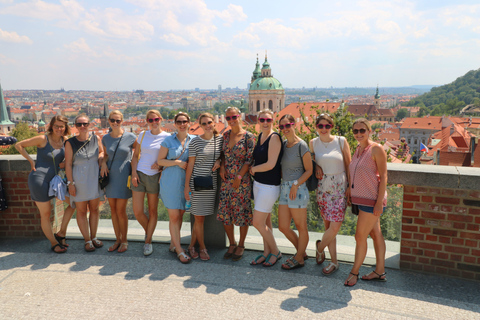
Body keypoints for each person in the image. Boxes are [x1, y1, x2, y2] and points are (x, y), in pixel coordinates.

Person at [15, 115, 75, 253]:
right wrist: (31, 161)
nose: (59, 128)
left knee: (73, 203)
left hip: (56, 180)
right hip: (39, 179)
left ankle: (61, 234)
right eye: (56, 126)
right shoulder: (43, 139)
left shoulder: (65, 140)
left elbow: (69, 160)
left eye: (62, 126)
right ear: (51, 126)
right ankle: (54, 243)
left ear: (65, 127)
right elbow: (19, 145)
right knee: (46, 214)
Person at [344, 118, 387, 287]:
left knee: (359, 236)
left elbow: (384, 177)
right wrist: (350, 190)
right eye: (355, 131)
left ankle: (354, 272)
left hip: (371, 200)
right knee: (375, 234)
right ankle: (380, 271)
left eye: (362, 130)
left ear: (369, 131)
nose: (359, 134)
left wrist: (378, 203)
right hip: (360, 199)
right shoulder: (357, 149)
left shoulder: (376, 148)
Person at [311, 113, 352, 275]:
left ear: (332, 127)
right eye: (320, 126)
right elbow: (312, 163)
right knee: (328, 226)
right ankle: (334, 262)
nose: (323, 129)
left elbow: (349, 165)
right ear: (316, 127)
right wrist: (315, 167)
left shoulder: (341, 141)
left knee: (335, 226)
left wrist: (350, 186)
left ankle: (320, 248)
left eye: (327, 126)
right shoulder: (313, 143)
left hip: (340, 188)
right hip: (322, 188)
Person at [218, 107, 255, 262]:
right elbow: (223, 155)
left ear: (240, 117)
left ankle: (241, 244)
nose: (231, 120)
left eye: (234, 117)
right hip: (226, 180)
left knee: (242, 213)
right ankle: (231, 243)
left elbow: (249, 159)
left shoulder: (249, 137)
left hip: (242, 181)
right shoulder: (225, 135)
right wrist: (221, 166)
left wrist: (239, 176)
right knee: (226, 213)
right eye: (228, 118)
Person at [131, 110, 170, 256]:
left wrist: (161, 166)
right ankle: (149, 233)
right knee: (138, 211)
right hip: (139, 174)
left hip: (155, 176)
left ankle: (147, 242)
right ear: (147, 121)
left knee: (153, 211)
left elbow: (171, 157)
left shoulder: (167, 137)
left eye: (157, 119)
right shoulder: (142, 135)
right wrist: (134, 173)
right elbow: (135, 156)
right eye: (151, 120)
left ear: (161, 120)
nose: (154, 122)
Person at [184, 113, 222, 261]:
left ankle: (191, 246)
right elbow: (190, 165)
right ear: (200, 126)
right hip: (198, 183)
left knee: (201, 218)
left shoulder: (219, 139)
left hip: (211, 184)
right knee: (199, 219)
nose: (207, 126)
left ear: (214, 123)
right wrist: (186, 187)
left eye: (209, 122)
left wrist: (219, 160)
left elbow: (222, 155)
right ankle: (203, 248)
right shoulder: (195, 142)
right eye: (204, 124)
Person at [277, 115, 313, 270]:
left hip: (297, 188)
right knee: (283, 226)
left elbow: (309, 170)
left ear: (294, 124)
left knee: (301, 226)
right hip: (285, 187)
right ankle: (301, 252)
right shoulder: (283, 145)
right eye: (282, 127)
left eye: (288, 125)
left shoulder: (302, 145)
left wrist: (296, 184)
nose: (285, 129)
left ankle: (299, 257)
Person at [157, 112, 194, 264]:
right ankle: (179, 250)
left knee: (180, 214)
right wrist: (177, 163)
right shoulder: (168, 140)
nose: (182, 124)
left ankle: (174, 244)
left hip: (186, 183)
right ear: (175, 123)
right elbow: (160, 161)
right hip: (170, 182)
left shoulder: (195, 140)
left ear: (189, 123)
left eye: (184, 121)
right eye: (179, 121)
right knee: (173, 217)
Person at [65, 114, 104, 252]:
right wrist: (71, 183)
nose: (82, 126)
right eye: (79, 124)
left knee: (94, 210)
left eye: (85, 124)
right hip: (79, 181)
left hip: (93, 179)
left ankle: (94, 237)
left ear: (90, 125)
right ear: (75, 126)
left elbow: (101, 152)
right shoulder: (70, 143)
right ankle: (87, 240)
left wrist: (101, 158)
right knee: (81, 211)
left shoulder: (96, 138)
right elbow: (68, 165)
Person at [250, 109, 283, 267]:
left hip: (269, 186)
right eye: (262, 120)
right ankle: (266, 252)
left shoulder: (274, 137)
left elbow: (271, 164)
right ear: (258, 121)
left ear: (273, 121)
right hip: (259, 184)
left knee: (257, 222)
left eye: (268, 120)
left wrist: (254, 169)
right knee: (265, 222)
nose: (265, 123)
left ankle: (275, 251)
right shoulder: (261, 136)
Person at [100, 110, 137, 253]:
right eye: (113, 120)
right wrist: (103, 163)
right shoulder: (105, 138)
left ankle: (125, 240)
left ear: (122, 121)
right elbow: (106, 154)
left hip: (123, 175)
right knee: (113, 210)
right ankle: (117, 239)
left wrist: (134, 171)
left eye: (118, 120)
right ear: (109, 121)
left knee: (121, 211)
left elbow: (137, 154)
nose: (115, 123)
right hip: (109, 175)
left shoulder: (131, 137)